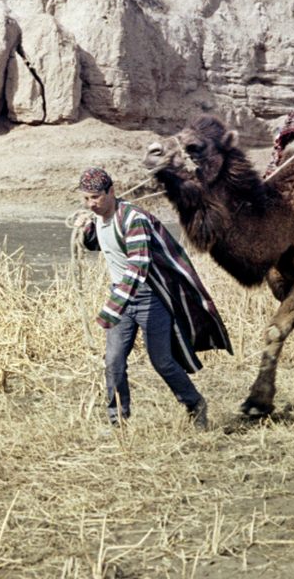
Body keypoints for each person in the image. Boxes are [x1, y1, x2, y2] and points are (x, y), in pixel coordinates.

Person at [73, 167, 232, 429]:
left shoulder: (134, 219)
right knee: (113, 362)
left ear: (112, 192)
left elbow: (138, 266)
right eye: (87, 198)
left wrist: (112, 308)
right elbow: (100, 244)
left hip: (149, 298)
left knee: (162, 361)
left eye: (96, 198)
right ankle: (118, 422)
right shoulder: (99, 218)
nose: (91, 204)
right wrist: (86, 232)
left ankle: (195, 403)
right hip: (121, 294)